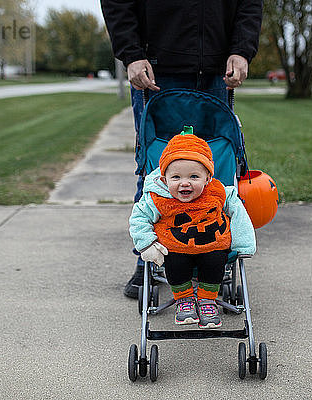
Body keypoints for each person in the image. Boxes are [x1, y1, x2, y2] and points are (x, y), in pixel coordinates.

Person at [101, 0, 263, 298]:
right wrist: (132, 54)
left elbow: (249, 3)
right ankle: (149, 260)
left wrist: (242, 49)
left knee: (217, 170)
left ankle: (217, 261)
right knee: (157, 168)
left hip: (217, 68)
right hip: (156, 70)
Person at [129, 129, 256, 328]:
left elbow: (238, 211)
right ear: (164, 180)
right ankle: (184, 299)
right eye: (176, 177)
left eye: (194, 177)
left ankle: (207, 300)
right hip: (175, 247)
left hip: (212, 245)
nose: (185, 183)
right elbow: (139, 218)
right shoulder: (157, 197)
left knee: (216, 259)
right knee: (175, 262)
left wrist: (243, 243)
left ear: (207, 179)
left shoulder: (218, 192)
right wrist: (147, 243)